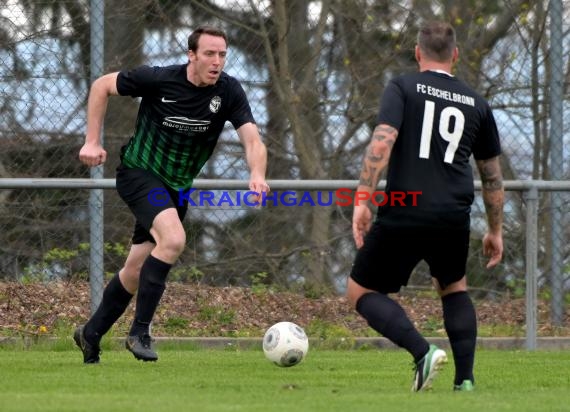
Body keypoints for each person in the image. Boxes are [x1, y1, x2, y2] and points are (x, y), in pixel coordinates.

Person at [75, 25, 268, 363]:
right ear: (191, 55)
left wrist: (257, 173)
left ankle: (90, 333)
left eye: (222, 54)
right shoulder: (158, 79)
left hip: (176, 188)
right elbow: (102, 85)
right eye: (209, 53)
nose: (217, 61)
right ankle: (140, 332)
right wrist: (92, 140)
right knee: (175, 240)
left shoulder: (229, 91)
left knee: (135, 269)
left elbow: (252, 139)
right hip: (139, 174)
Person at [347, 21, 504, 392]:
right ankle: (464, 380)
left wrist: (362, 201)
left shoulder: (402, 87)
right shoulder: (477, 103)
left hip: (406, 208)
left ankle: (422, 353)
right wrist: (495, 230)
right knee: (453, 287)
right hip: (453, 214)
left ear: (417, 53)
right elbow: (492, 177)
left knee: (361, 293)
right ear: (456, 56)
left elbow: (382, 142)